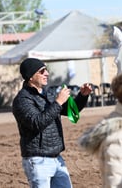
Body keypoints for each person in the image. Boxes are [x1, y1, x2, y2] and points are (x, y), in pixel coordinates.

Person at [12, 58, 92, 188]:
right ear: (30, 77)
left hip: (57, 158)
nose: (47, 73)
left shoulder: (47, 94)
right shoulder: (22, 100)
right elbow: (36, 123)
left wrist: (82, 96)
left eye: (46, 70)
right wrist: (58, 102)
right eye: (42, 71)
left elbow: (70, 112)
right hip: (37, 160)